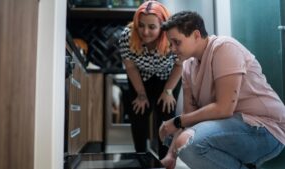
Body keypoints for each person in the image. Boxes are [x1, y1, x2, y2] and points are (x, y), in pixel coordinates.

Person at [159, 11, 285, 169]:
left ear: (196, 35)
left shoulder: (224, 47)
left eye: (176, 42)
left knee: (187, 143)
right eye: (170, 43)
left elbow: (224, 108)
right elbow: (189, 118)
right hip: (235, 127)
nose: (172, 49)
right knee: (179, 140)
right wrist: (171, 155)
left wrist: (176, 122)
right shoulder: (188, 66)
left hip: (267, 128)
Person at [118, 0, 182, 159]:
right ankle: (140, 156)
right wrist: (141, 94)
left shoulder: (172, 37)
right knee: (138, 113)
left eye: (152, 27)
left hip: (168, 77)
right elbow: (131, 67)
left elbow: (179, 65)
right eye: (141, 25)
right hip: (141, 77)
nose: (145, 32)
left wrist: (168, 91)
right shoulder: (127, 35)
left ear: (163, 26)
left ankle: (165, 158)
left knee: (166, 114)